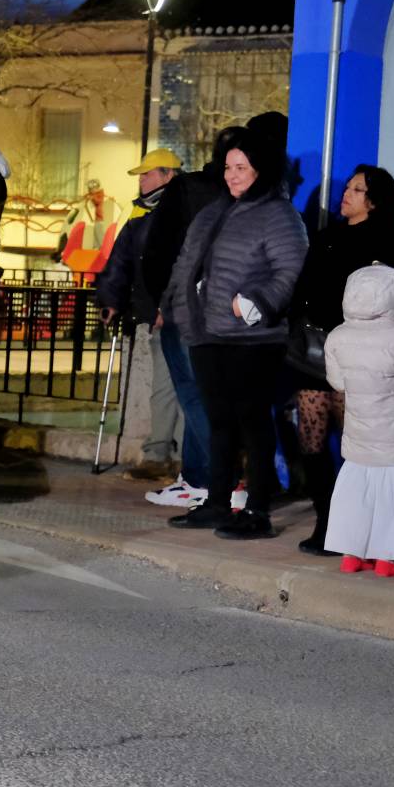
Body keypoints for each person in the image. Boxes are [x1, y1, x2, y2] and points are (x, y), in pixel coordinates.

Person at [162, 127, 308, 539]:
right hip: (206, 334)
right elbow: (185, 264)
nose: (232, 175)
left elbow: (290, 270)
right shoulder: (213, 211)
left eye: (241, 167)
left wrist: (254, 304)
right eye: (228, 167)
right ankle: (217, 503)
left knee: (253, 423)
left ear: (262, 169)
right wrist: (173, 305)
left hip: (253, 339)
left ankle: (258, 511)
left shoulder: (279, 215)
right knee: (219, 422)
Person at [289, 165, 394, 554]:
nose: (347, 194)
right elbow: (304, 288)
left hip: (360, 354)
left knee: (356, 446)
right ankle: (326, 522)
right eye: (348, 188)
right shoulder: (328, 235)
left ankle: (360, 527)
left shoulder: (387, 240)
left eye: (357, 190)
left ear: (374, 201)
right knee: (311, 439)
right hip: (316, 352)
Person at [140, 129, 233, 510]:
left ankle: (218, 480)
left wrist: (160, 301)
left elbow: (159, 249)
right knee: (202, 395)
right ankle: (198, 478)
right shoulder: (250, 198)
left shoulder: (190, 190)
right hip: (221, 309)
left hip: (187, 307)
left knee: (194, 395)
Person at [324, 265, 394, 577]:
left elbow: (338, 383)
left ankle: (352, 555)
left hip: (359, 433)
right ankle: (388, 558)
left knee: (358, 492)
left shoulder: (338, 335)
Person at [94, 148, 186, 488]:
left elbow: (181, 265)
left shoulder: (182, 210)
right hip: (157, 313)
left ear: (167, 175)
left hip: (178, 312)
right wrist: (111, 299)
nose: (142, 180)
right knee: (167, 386)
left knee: (182, 387)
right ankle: (162, 454)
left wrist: (165, 305)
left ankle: (179, 458)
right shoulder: (139, 212)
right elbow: (121, 260)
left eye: (147, 174)